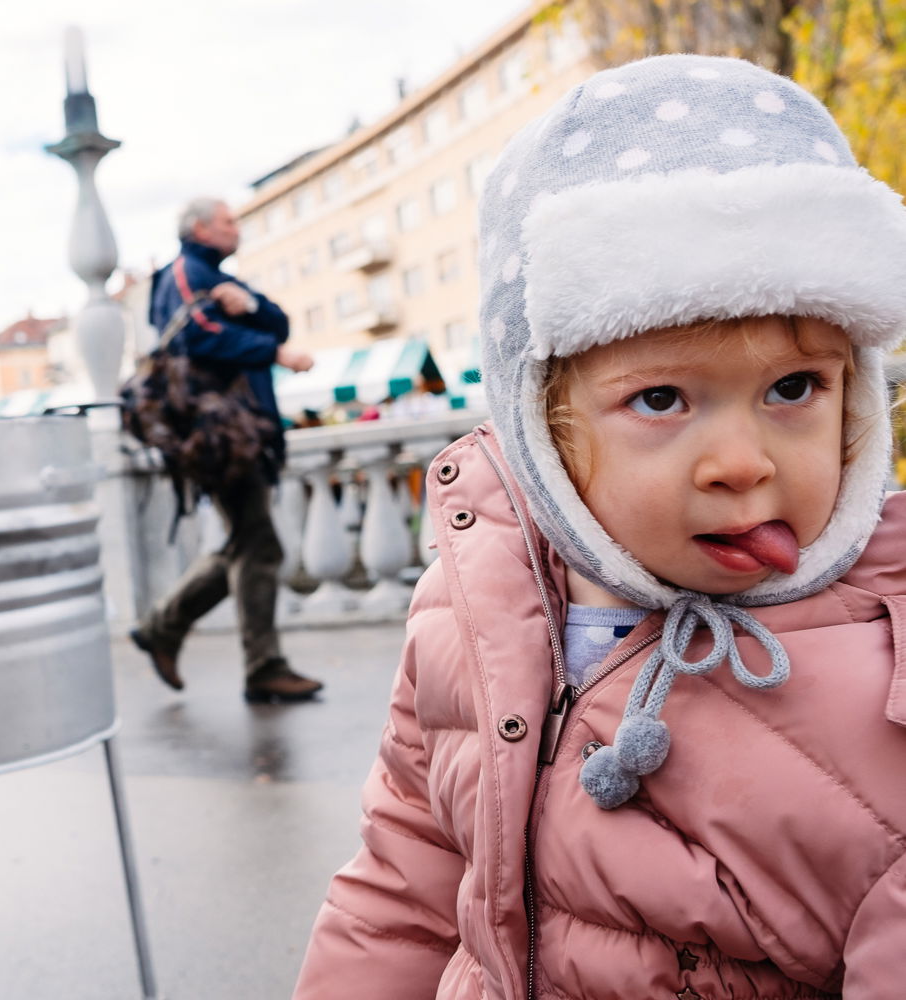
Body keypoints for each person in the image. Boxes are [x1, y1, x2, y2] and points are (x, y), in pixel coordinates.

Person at [294, 54, 906, 998]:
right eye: (662, 398)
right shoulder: (474, 613)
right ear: (548, 429)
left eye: (795, 388)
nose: (742, 461)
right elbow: (401, 889)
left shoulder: (886, 676)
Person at [129, 197, 324, 703]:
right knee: (257, 545)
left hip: (235, 431)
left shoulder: (213, 274)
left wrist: (252, 308)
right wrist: (271, 349)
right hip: (220, 434)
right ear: (199, 227)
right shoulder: (187, 272)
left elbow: (278, 320)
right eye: (228, 221)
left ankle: (162, 628)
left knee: (245, 542)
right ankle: (262, 666)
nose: (237, 228)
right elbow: (198, 335)